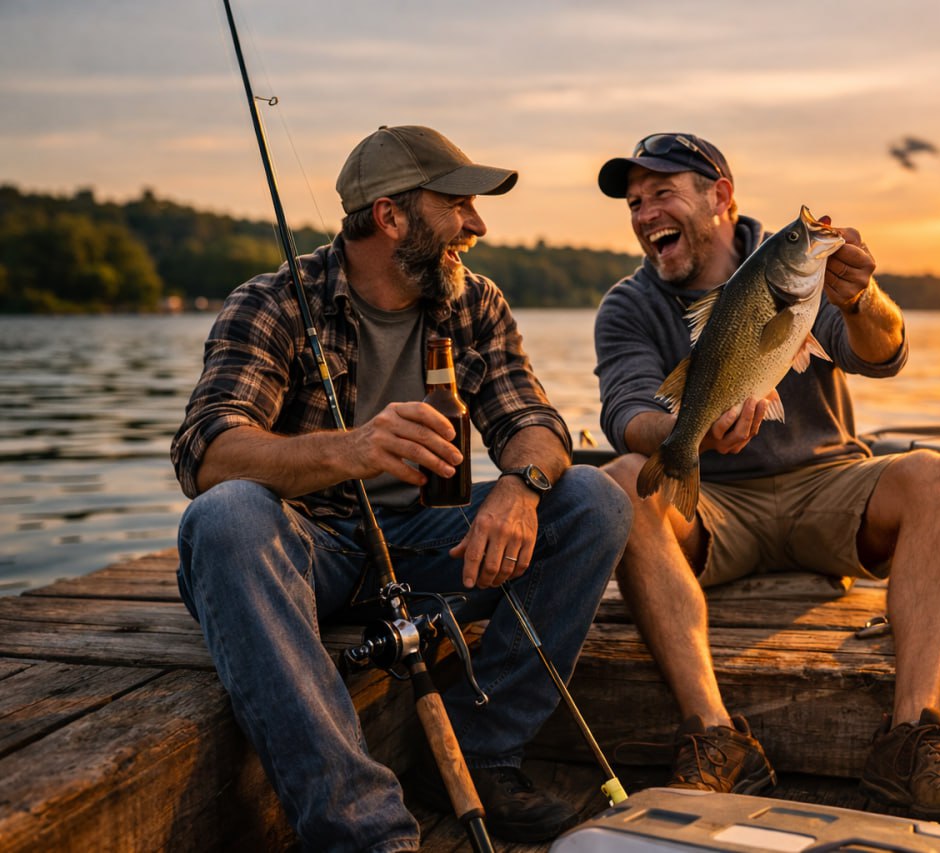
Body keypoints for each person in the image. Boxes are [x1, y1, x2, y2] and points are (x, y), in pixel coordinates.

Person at [171, 125, 632, 851]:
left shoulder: (473, 302)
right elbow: (207, 451)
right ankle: (365, 832)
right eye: (457, 204)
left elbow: (537, 423)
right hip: (305, 551)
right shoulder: (274, 302)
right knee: (224, 518)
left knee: (596, 500)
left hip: (425, 550)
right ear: (390, 217)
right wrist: (349, 449)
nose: (476, 223)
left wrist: (520, 483)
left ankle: (482, 749)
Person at [592, 132, 940, 832]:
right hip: (717, 505)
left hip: (828, 482)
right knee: (620, 483)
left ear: (720, 196)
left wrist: (862, 297)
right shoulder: (628, 305)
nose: (642, 213)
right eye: (634, 202)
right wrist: (683, 434)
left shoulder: (798, 269)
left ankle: (914, 738)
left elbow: (884, 355)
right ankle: (717, 736)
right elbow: (625, 408)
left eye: (661, 192)